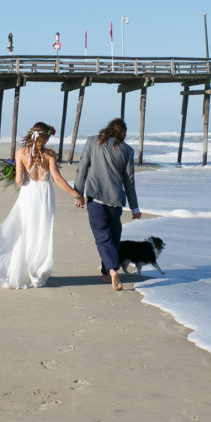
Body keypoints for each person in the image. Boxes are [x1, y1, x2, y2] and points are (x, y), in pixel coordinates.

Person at [0, 122, 84, 289]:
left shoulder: (20, 153)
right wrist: (77, 195)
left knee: (26, 230)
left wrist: (14, 172)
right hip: (44, 195)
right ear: (45, 137)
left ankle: (24, 270)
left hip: (29, 195)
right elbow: (56, 179)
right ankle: (37, 270)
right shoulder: (50, 154)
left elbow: (19, 181)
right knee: (42, 231)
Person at [74, 118, 141, 292]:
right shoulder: (127, 150)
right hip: (115, 201)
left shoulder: (92, 142)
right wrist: (135, 208)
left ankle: (111, 270)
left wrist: (78, 192)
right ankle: (106, 272)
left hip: (95, 198)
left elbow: (82, 168)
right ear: (123, 133)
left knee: (102, 237)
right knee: (113, 237)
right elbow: (129, 181)